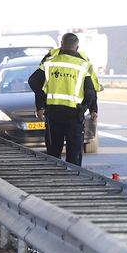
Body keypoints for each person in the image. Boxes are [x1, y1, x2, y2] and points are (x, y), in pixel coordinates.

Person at [28, 33, 98, 167]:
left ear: (62, 44)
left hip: (53, 113)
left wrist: (41, 105)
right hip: (75, 113)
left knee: (53, 153)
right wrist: (91, 108)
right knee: (74, 154)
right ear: (77, 47)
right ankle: (74, 180)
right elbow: (90, 90)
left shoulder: (50, 62)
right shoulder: (83, 64)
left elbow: (34, 81)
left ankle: (54, 179)